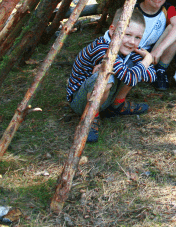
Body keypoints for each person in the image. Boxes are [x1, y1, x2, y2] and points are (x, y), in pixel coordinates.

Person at [66, 8, 156, 143]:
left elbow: (152, 76)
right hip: (81, 101)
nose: (132, 42)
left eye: (137, 37)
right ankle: (90, 118)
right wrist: (148, 59)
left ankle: (117, 105)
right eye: (127, 34)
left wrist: (137, 67)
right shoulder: (103, 48)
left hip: (104, 97)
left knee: (131, 66)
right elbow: (131, 77)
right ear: (113, 30)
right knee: (106, 75)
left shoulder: (127, 48)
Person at [135, 0, 176, 90]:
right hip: (133, 51)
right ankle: (141, 71)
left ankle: (161, 70)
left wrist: (159, 50)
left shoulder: (167, 9)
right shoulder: (134, 10)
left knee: (175, 28)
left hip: (154, 53)